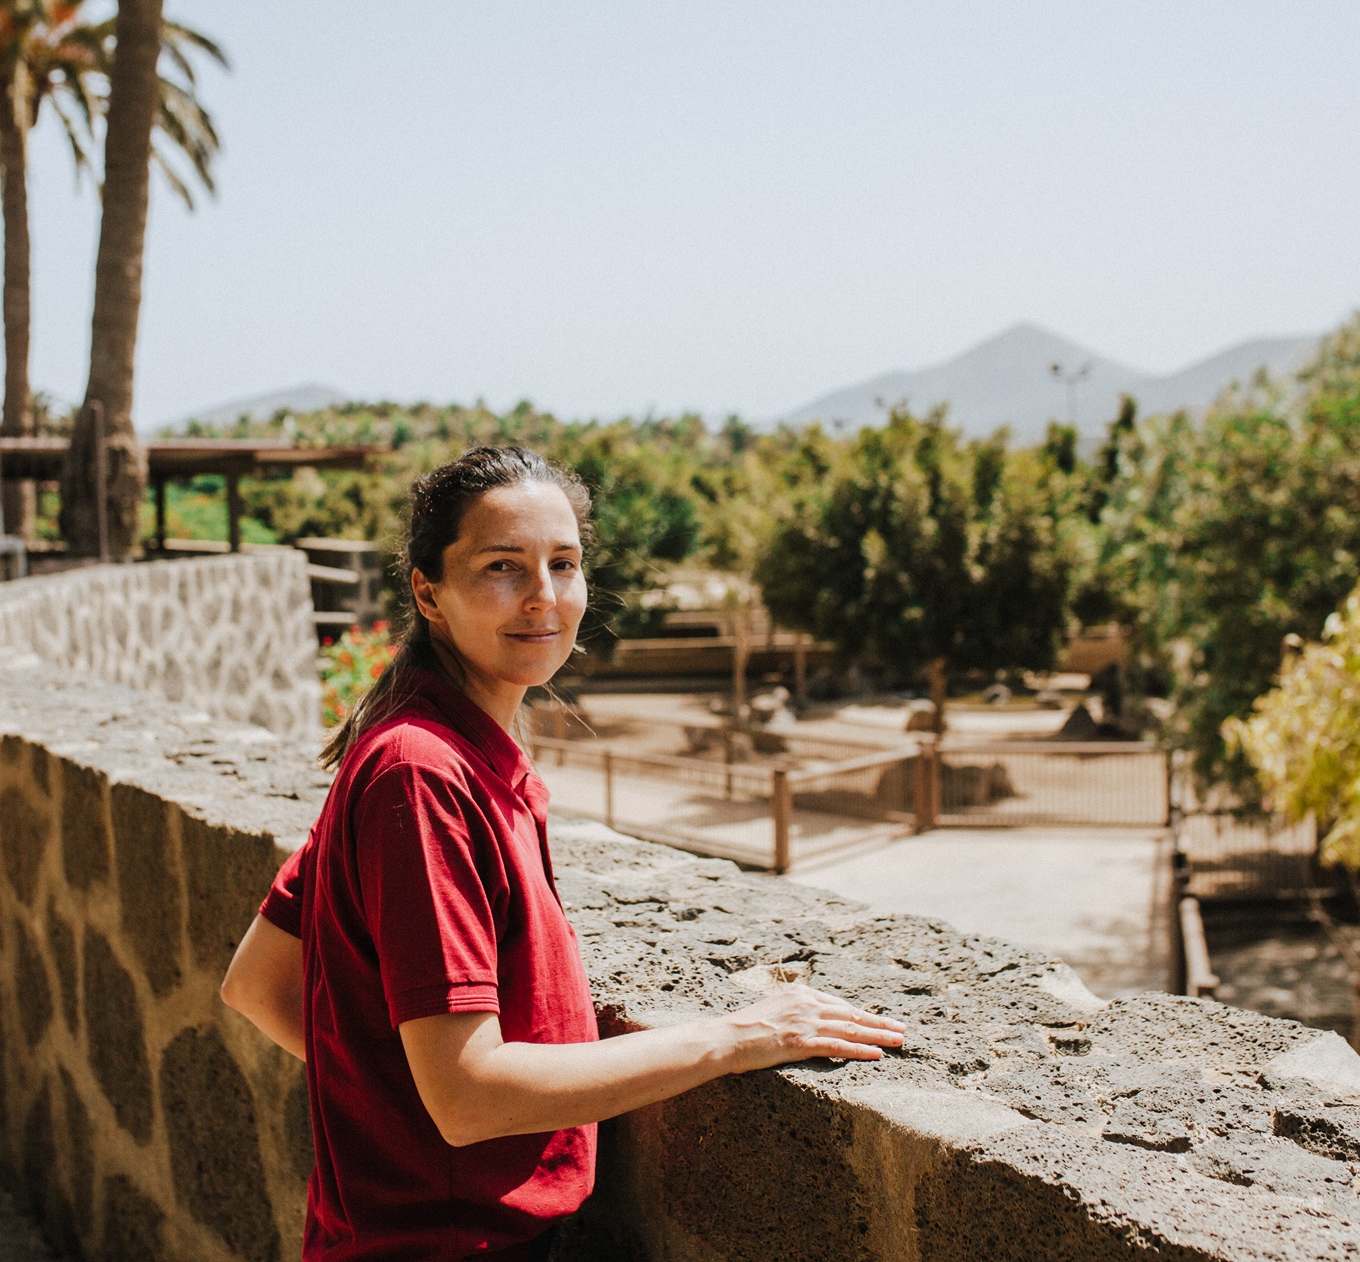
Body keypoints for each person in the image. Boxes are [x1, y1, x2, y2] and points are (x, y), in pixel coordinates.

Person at [220, 445, 905, 1261]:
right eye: (502, 566)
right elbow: (468, 1097)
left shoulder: (419, 744)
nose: (543, 597)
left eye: (564, 563)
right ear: (427, 592)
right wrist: (737, 1035)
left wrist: (391, 1088)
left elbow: (255, 982)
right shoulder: (420, 773)